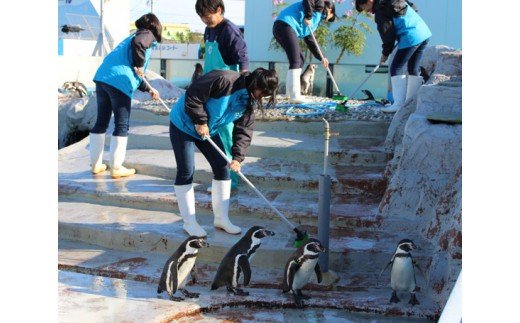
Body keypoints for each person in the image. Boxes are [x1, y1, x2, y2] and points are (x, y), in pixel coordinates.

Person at [169, 68, 278, 237]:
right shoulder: (224, 79)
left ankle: (221, 219)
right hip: (183, 124)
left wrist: (237, 158)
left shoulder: (248, 101)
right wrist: (199, 120)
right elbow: (194, 93)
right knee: (186, 170)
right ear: (256, 84)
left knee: (223, 168)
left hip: (209, 130)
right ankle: (189, 223)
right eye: (262, 92)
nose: (261, 97)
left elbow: (244, 130)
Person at [88, 13, 162, 178]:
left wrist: (149, 89)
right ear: (155, 26)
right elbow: (138, 54)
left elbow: (135, 73)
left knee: (101, 122)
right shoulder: (146, 34)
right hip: (118, 82)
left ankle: (96, 164)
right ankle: (116, 167)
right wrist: (140, 64)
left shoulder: (130, 38)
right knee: (121, 125)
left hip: (103, 78)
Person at [195, 0, 250, 191]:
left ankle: (229, 180)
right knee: (214, 131)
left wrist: (243, 86)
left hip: (226, 89)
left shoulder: (229, 30)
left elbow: (242, 58)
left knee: (224, 132)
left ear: (219, 10)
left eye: (207, 16)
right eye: (201, 17)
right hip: (211, 86)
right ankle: (221, 175)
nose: (205, 20)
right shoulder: (209, 29)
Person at [355, 0, 431, 113]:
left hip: (410, 36)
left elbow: (388, 36)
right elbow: (414, 7)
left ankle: (398, 104)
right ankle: (409, 104)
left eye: (364, 6)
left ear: (370, 1)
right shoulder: (390, 1)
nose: (366, 11)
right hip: (423, 32)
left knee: (396, 68)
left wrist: (385, 53)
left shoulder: (381, 10)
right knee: (412, 68)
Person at [273, 0, 336, 103]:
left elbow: (310, 41)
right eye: (330, 17)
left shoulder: (315, 20)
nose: (326, 20)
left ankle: (289, 94)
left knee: (300, 58)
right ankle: (295, 97)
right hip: (285, 25)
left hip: (281, 27)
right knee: (296, 60)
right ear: (330, 9)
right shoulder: (320, 4)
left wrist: (322, 57)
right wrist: (308, 16)